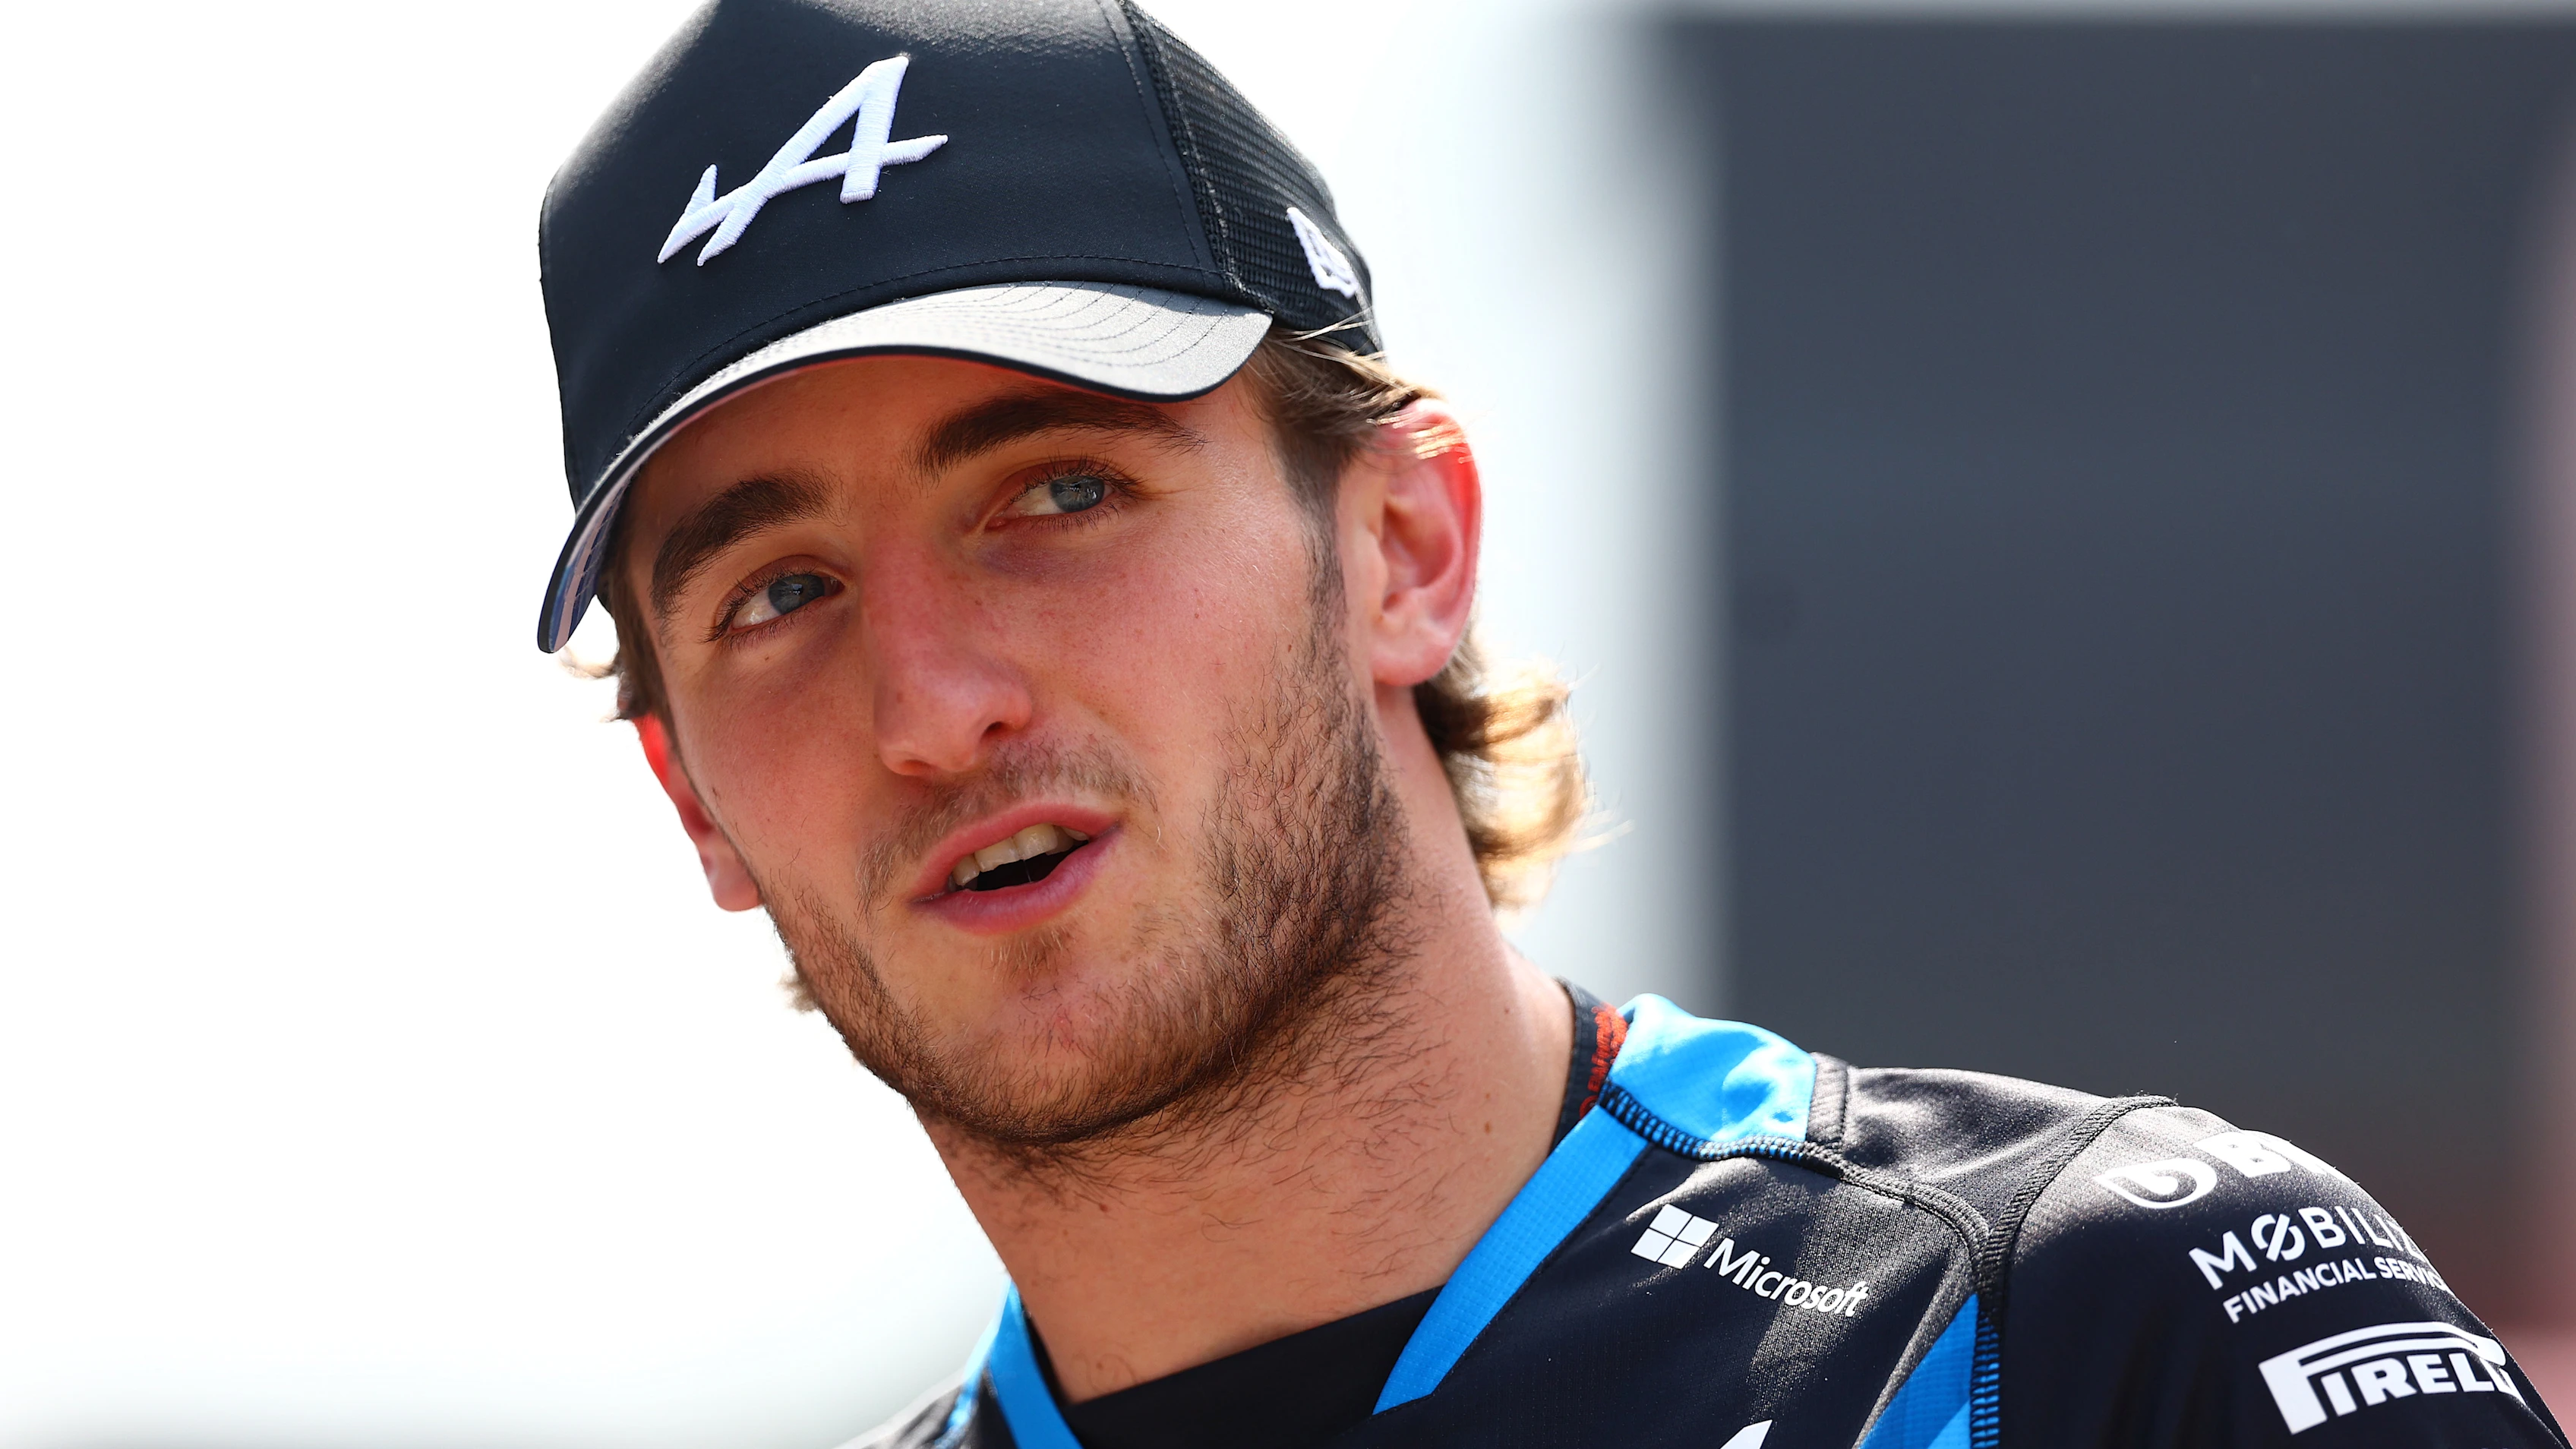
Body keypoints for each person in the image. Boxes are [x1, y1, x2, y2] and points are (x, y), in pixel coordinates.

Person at [529, 2, 2570, 1445]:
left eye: (1063, 490)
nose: (937, 700)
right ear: (689, 793)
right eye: (779, 592)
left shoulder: (2108, 1329)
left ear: (1405, 545)